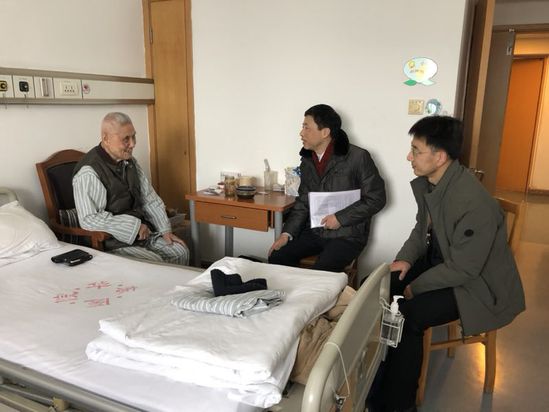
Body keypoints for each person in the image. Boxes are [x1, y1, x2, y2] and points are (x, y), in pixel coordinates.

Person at [369, 116, 525, 412]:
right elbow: (421, 231)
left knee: (410, 315)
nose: (409, 157)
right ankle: (381, 378)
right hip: (446, 265)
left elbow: (465, 269)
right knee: (380, 287)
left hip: (477, 286)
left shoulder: (473, 202)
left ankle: (398, 404)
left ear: (439, 157)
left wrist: (416, 287)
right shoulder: (434, 185)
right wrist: (404, 259)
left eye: (416, 150)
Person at [268, 104, 386, 272]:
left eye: (306, 127)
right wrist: (286, 234)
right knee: (277, 256)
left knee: (321, 272)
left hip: (348, 235)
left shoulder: (358, 157)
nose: (301, 133)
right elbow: (303, 201)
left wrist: (340, 218)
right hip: (315, 231)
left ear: (325, 132)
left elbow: (377, 199)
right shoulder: (307, 160)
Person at [73, 112, 189, 265]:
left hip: (143, 235)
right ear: (106, 139)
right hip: (113, 243)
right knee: (154, 262)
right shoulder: (89, 172)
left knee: (180, 251)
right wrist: (133, 226)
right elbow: (89, 219)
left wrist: (165, 230)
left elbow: (149, 198)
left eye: (134, 136)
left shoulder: (130, 162)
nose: (133, 144)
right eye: (126, 139)